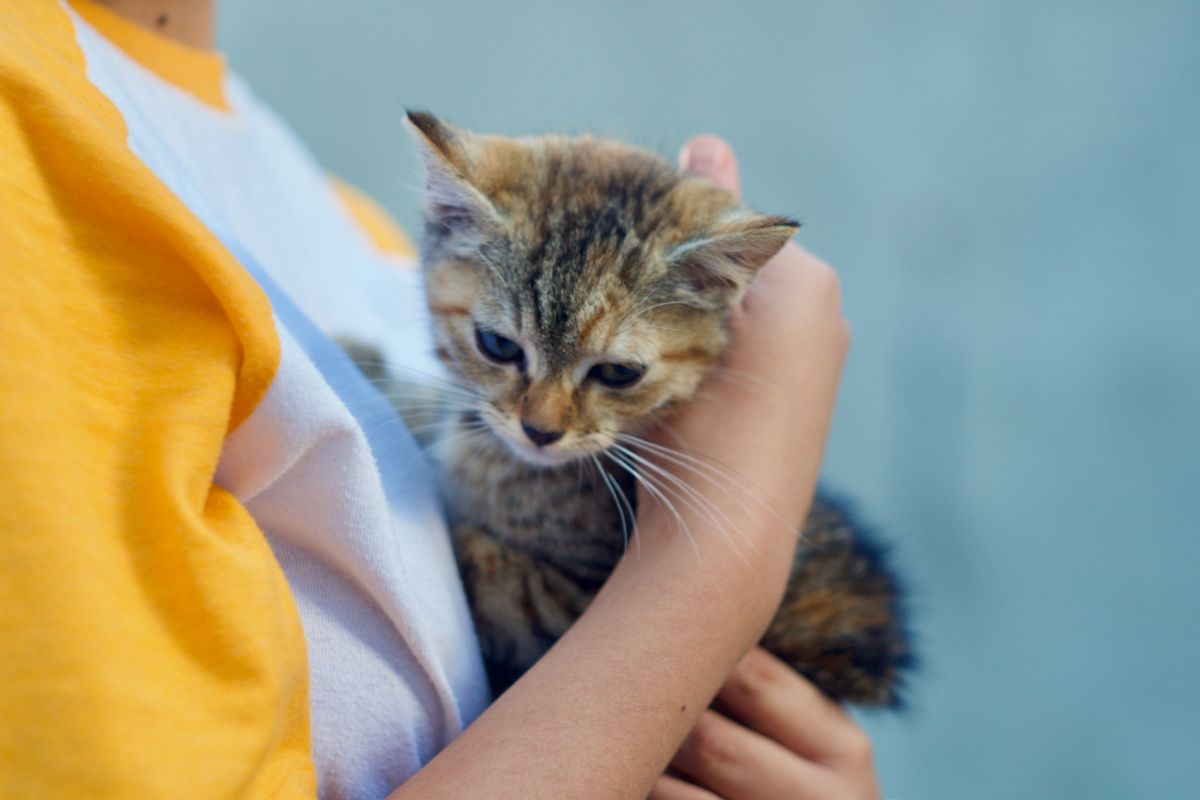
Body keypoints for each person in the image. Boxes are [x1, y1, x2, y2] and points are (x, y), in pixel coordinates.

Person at [0, 1, 880, 797]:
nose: (541, 420)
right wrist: (730, 545)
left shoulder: (347, 232)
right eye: (501, 352)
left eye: (611, 374)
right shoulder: (32, 132)